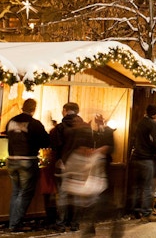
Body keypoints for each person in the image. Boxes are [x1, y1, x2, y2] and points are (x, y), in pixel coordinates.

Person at [6, 98, 50, 232]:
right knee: (25, 193)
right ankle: (15, 224)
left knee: (16, 192)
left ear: (22, 107)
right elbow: (45, 141)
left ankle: (12, 221)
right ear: (34, 109)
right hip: (27, 160)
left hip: (11, 159)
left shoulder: (11, 121)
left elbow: (7, 136)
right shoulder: (34, 124)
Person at [51, 102, 93, 232]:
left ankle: (61, 224)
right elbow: (91, 146)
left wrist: (59, 160)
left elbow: (56, 146)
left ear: (65, 110)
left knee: (63, 195)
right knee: (77, 194)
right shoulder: (86, 127)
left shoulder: (60, 127)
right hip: (80, 165)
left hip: (64, 164)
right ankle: (75, 223)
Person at [129, 105, 156, 222]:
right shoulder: (152, 125)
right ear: (155, 115)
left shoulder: (140, 123)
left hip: (135, 158)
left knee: (137, 187)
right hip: (146, 158)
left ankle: (135, 212)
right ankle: (146, 214)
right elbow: (155, 143)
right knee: (147, 187)